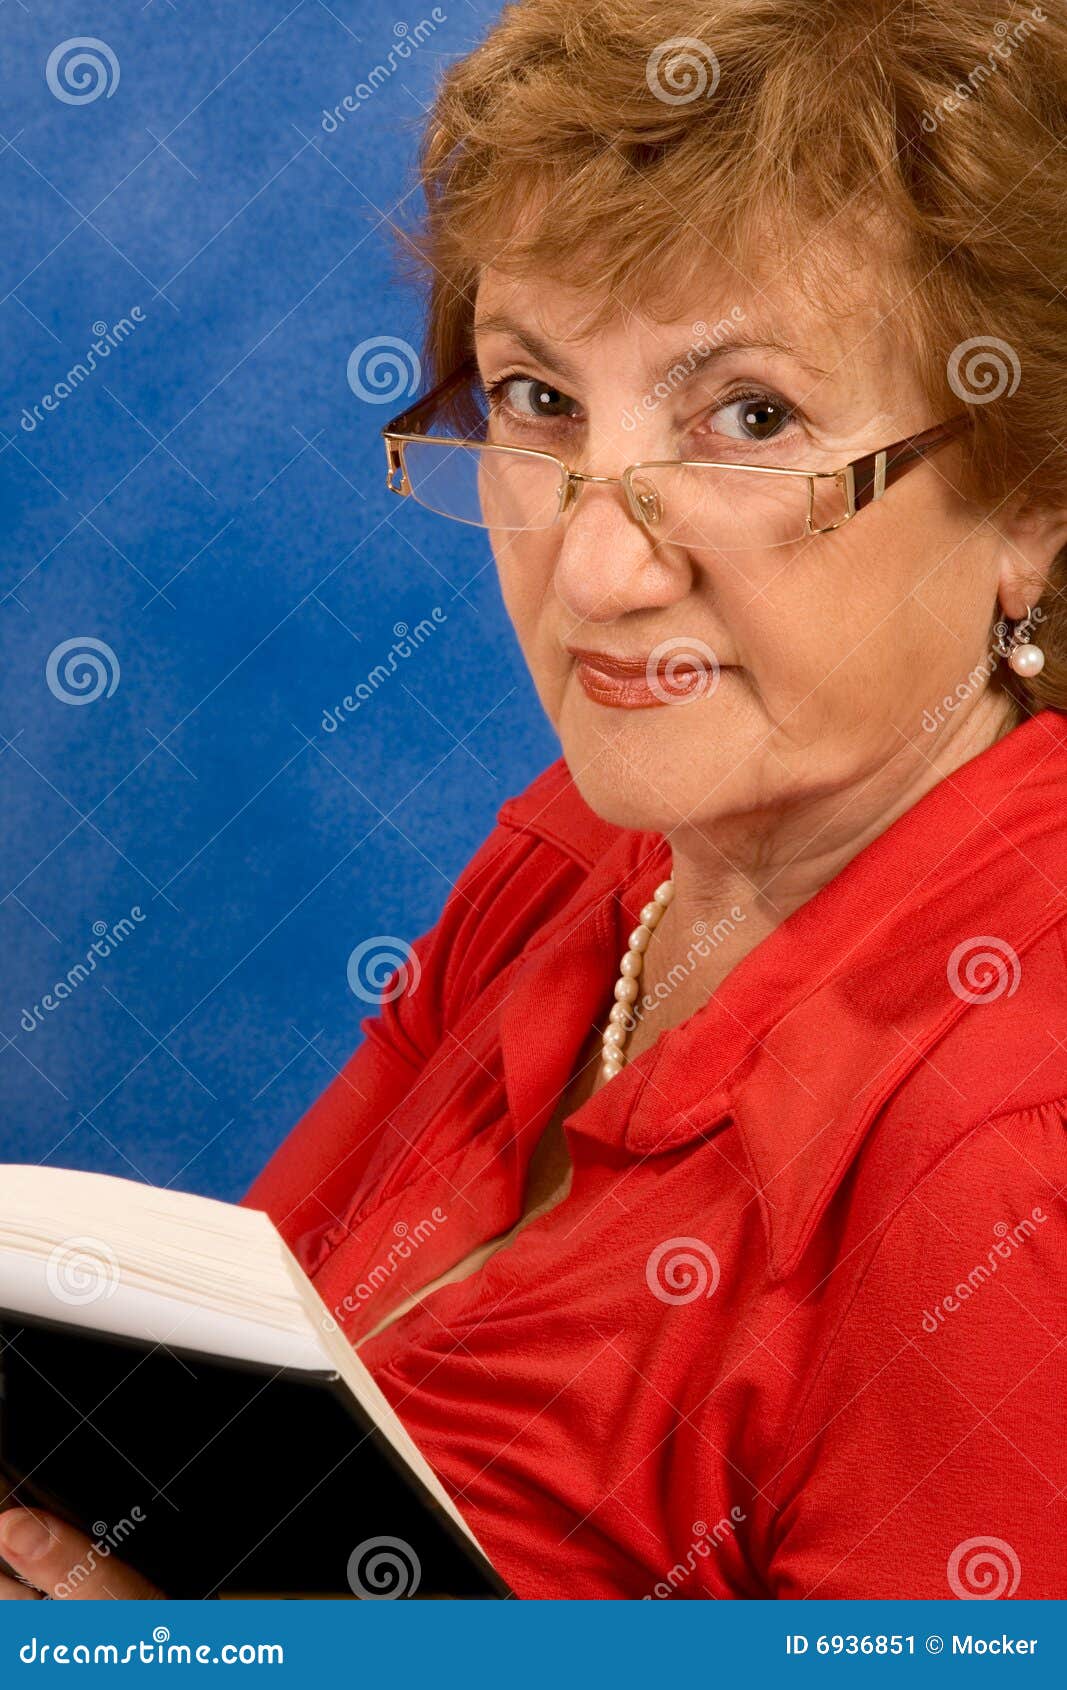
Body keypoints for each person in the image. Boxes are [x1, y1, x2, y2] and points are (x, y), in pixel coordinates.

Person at [3, 0, 1067, 1600]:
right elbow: (213, 1403)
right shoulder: (584, 858)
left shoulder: (1006, 1157)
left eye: (752, 418)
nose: (595, 566)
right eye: (539, 401)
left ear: (1032, 507)